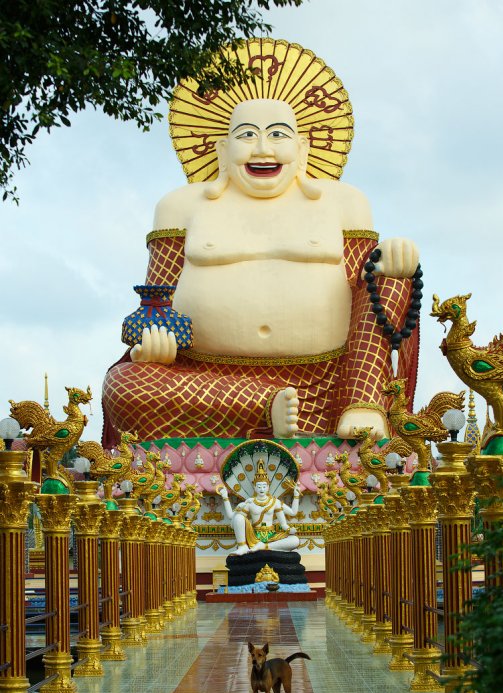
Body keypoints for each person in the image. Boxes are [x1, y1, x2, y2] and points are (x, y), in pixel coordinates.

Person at [102, 40, 420, 447]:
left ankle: (363, 402)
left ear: (302, 149)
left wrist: (392, 260)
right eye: (247, 135)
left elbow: (367, 295)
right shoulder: (181, 207)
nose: (263, 149)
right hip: (205, 385)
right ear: (223, 149)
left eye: (278, 135)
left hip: (328, 387)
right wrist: (155, 343)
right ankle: (262, 406)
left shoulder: (343, 203)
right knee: (124, 385)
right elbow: (156, 299)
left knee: (388, 274)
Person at [217, 461, 300, 555]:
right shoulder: (250, 502)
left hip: (271, 535)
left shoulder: (274, 502)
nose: (262, 489)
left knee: (295, 540)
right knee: (239, 517)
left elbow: (291, 515)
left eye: (264, 486)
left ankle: (264, 546)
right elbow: (231, 517)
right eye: (259, 486)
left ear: (268, 487)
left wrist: (296, 496)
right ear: (254, 487)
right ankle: (242, 547)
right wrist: (225, 497)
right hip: (253, 536)